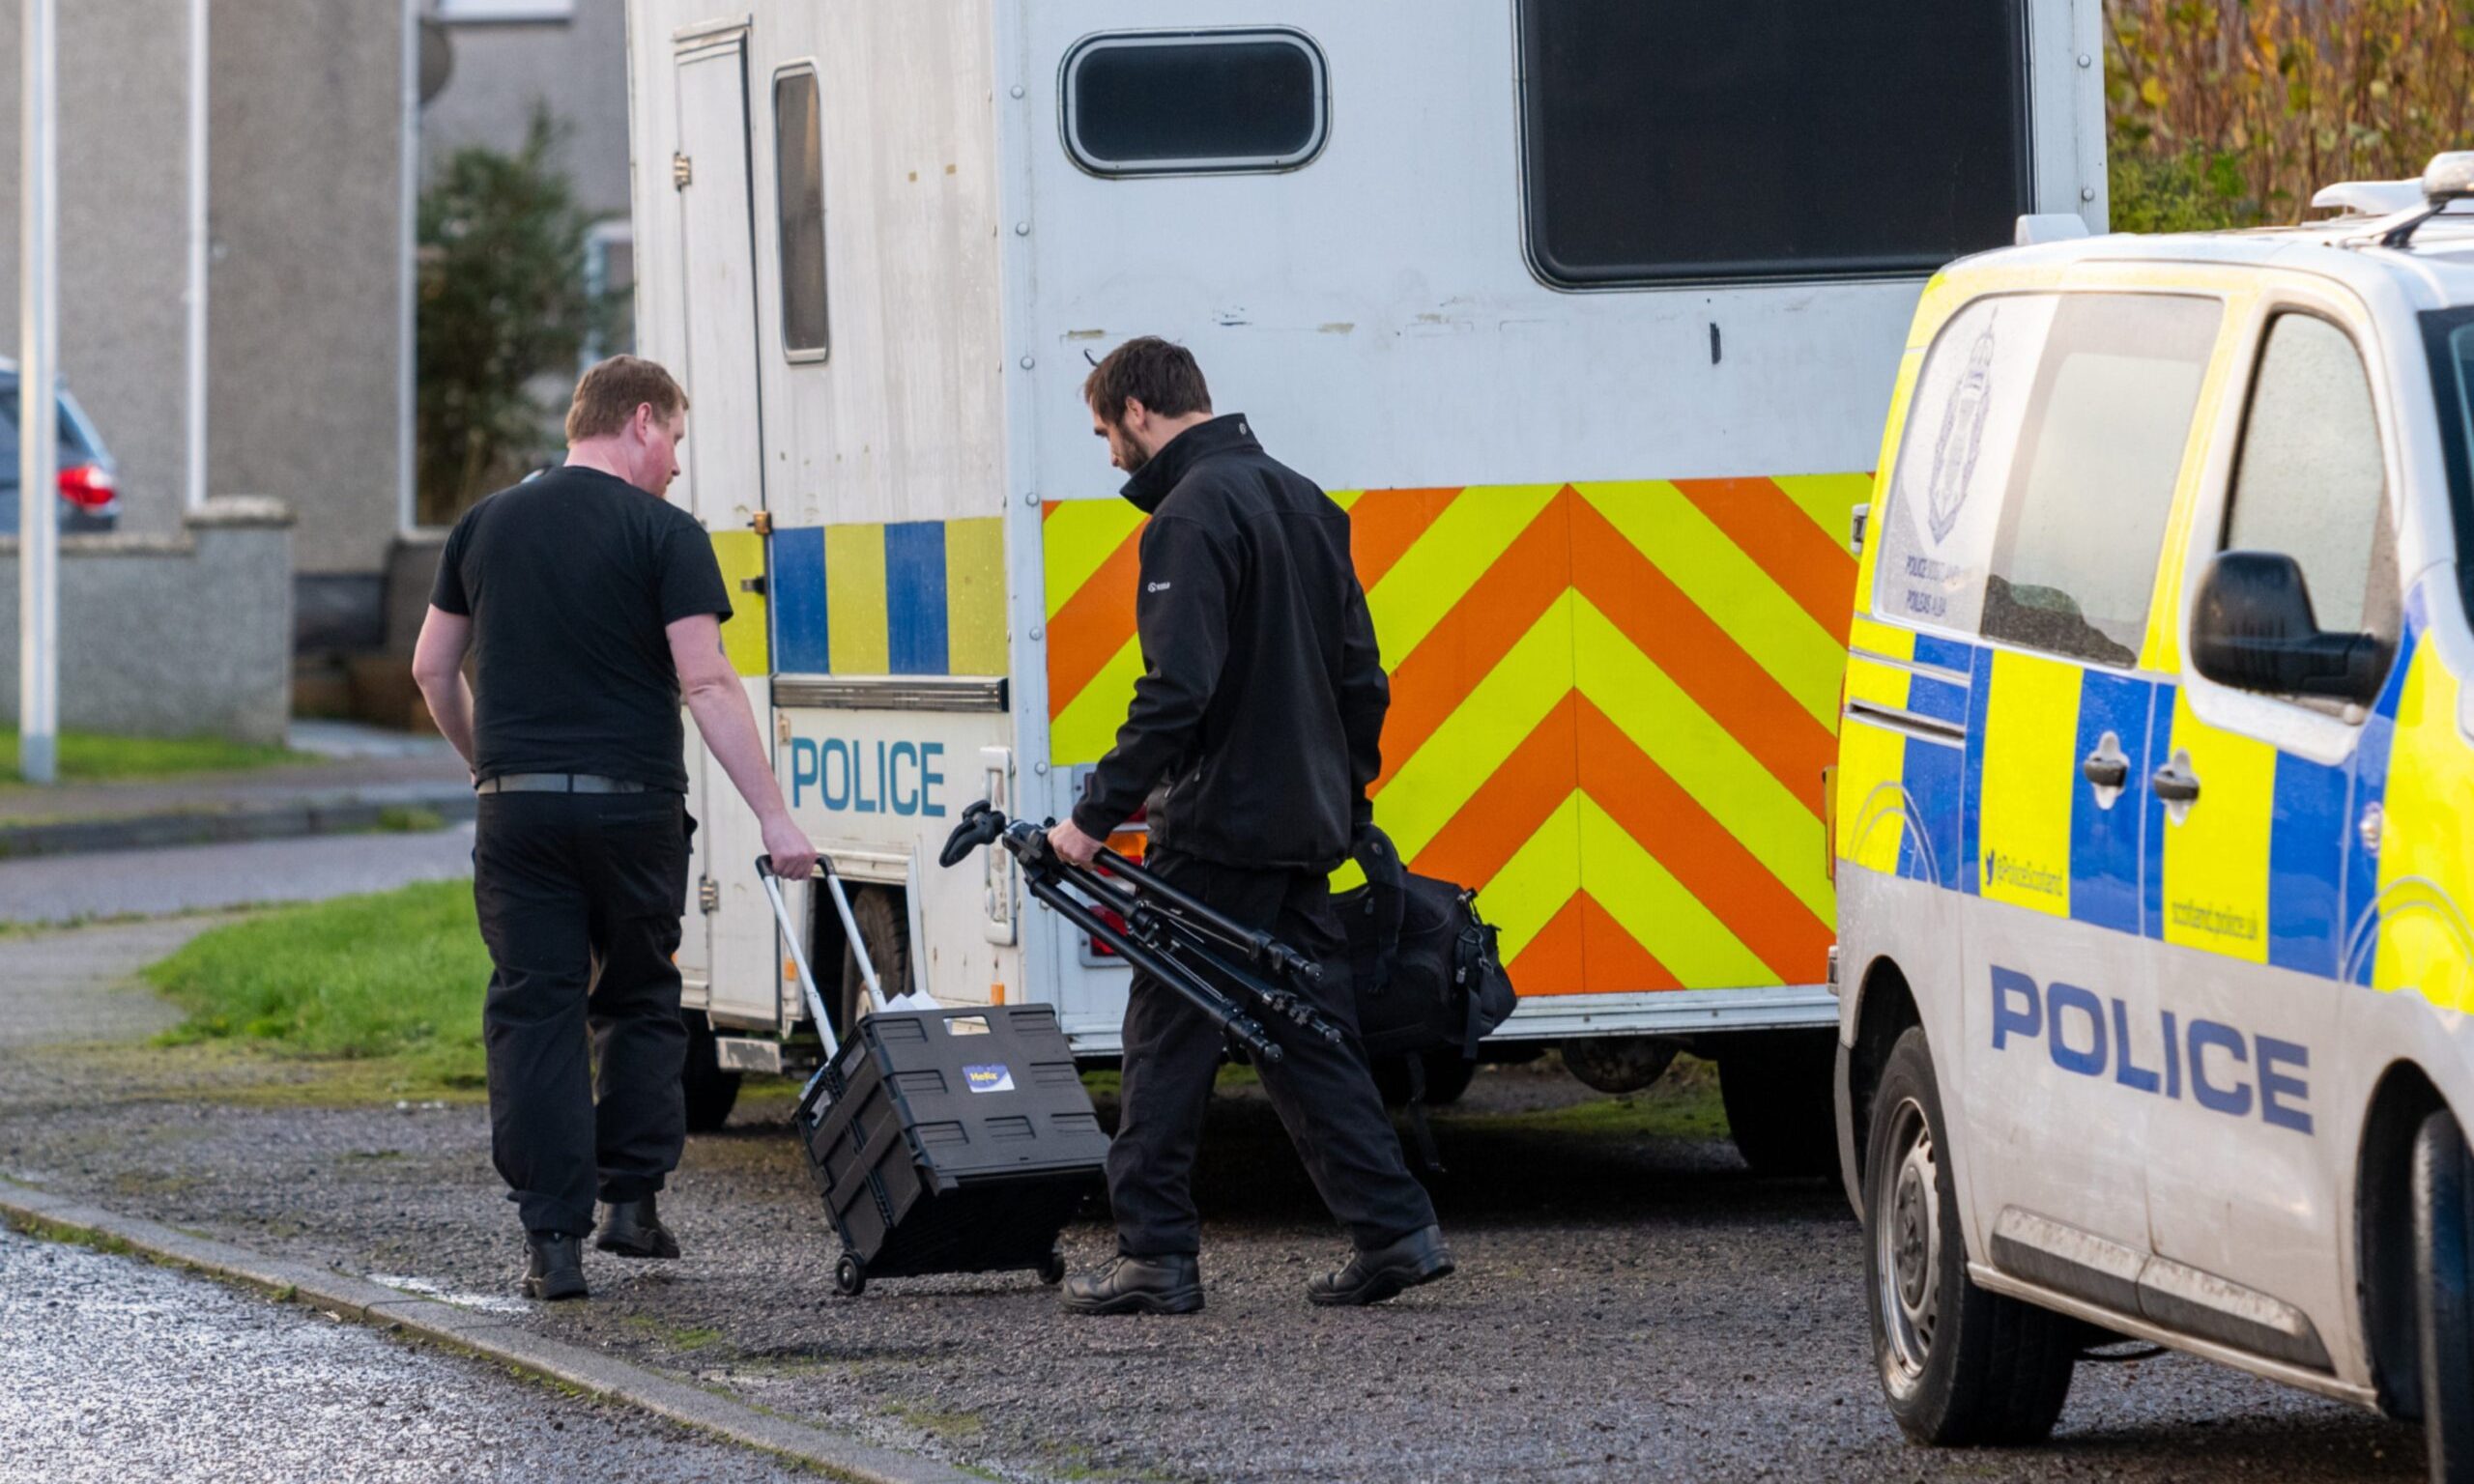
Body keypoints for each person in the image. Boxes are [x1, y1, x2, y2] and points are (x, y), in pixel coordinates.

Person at [1050, 337, 1453, 1314]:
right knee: (1303, 1034)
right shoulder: (1307, 502)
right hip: (1303, 823)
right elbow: (1364, 677)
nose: (1109, 459)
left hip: (1219, 832)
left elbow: (1176, 690)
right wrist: (1344, 799)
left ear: (1140, 413)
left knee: (1164, 1038)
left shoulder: (1187, 517)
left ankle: (1154, 1256)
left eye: (1106, 433)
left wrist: (1093, 817)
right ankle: (1394, 1229)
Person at [411, 356, 819, 1301]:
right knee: (638, 997)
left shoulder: (484, 523)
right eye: (674, 437)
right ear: (641, 421)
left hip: (516, 810)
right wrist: (772, 813)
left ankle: (550, 1244)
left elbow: (433, 669)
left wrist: (485, 768)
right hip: (632, 807)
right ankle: (631, 1206)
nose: (676, 461)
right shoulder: (665, 533)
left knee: (535, 1006)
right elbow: (707, 681)